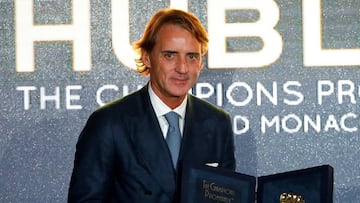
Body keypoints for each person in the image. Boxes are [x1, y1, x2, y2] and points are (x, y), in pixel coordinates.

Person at [68, 8, 235, 203]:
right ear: (147, 57)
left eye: (191, 56)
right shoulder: (109, 123)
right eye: (170, 55)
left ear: (200, 63)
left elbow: (226, 197)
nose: (182, 68)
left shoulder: (217, 123)